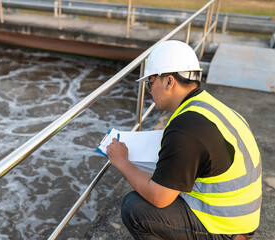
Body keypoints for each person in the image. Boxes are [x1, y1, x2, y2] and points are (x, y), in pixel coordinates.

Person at [106, 40, 262, 240]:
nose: (149, 90)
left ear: (169, 81)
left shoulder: (186, 128)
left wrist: (122, 162)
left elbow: (159, 198)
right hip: (240, 219)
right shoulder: (209, 107)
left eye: (150, 82)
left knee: (135, 208)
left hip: (225, 229)